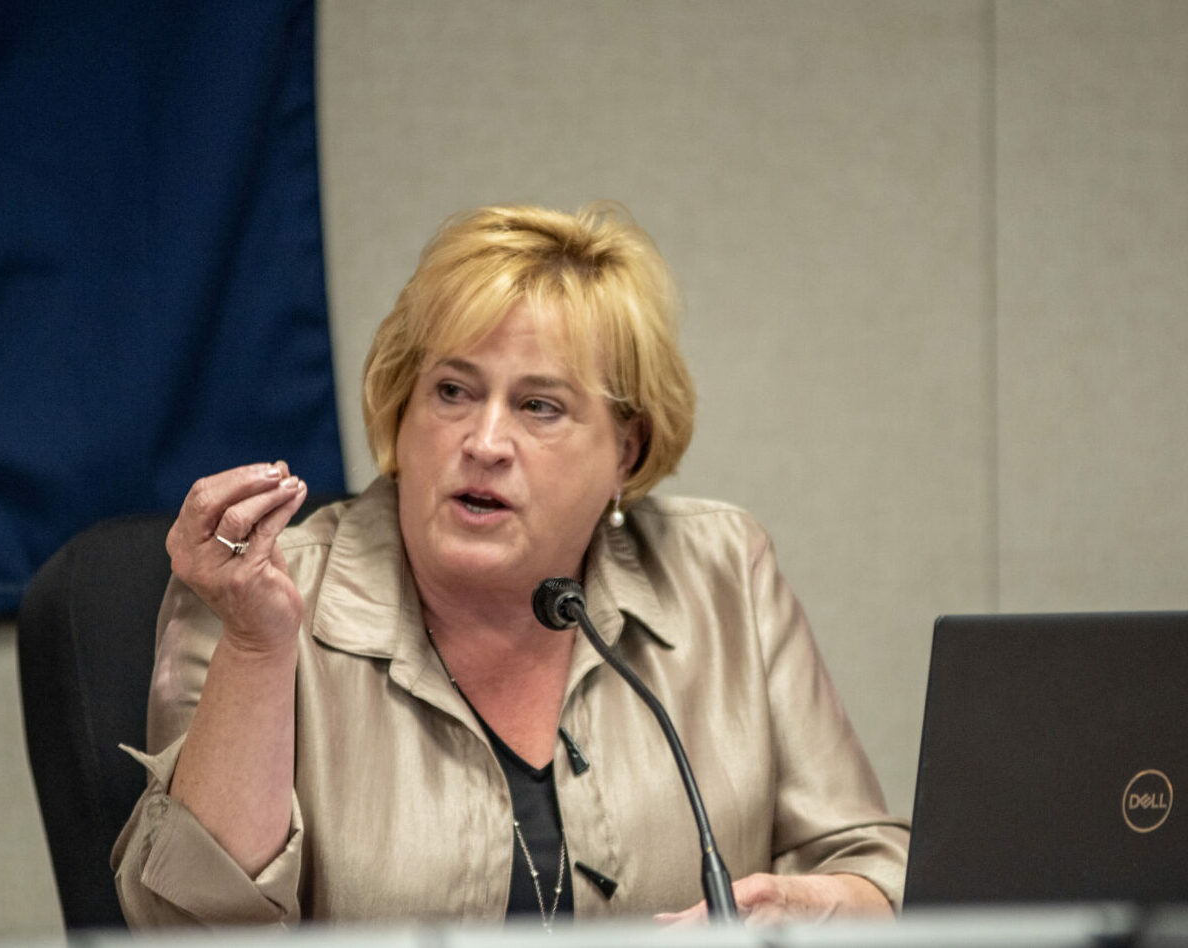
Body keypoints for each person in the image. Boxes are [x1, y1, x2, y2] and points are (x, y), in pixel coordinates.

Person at [112, 203, 908, 928]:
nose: (485, 443)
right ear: (403, 407)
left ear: (625, 449)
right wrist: (256, 647)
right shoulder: (264, 596)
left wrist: (800, 912)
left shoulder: (722, 572)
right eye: (453, 391)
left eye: (540, 406)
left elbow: (883, 877)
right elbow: (193, 931)